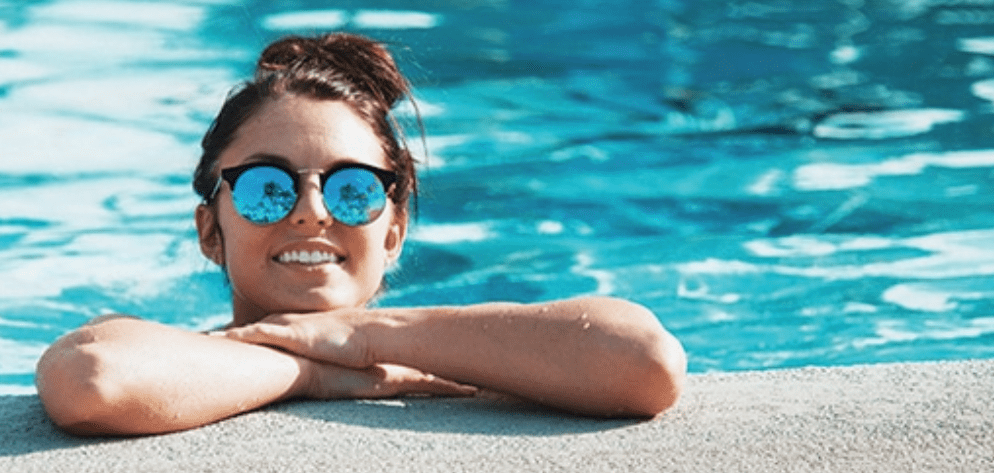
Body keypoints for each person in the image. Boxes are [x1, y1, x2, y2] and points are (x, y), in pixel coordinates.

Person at [34, 33, 686, 436]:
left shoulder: (477, 351)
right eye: (268, 186)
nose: (313, 211)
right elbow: (93, 377)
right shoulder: (163, 352)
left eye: (353, 189)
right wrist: (312, 372)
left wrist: (366, 336)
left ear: (394, 230)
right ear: (211, 229)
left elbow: (644, 361)